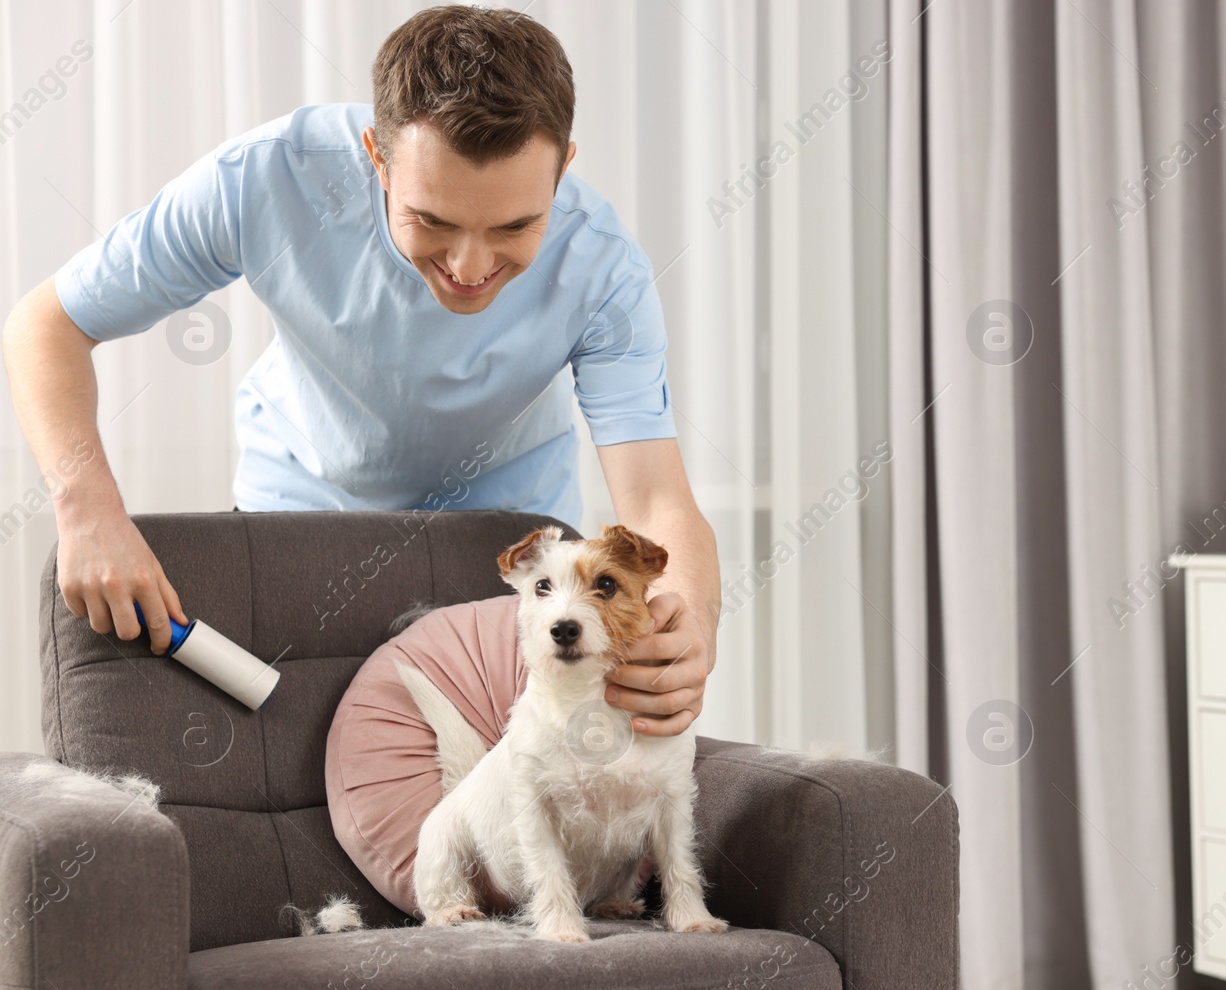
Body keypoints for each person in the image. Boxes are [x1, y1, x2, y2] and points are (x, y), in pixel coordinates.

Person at [0, 5, 717, 736]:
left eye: (513, 227)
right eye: (433, 221)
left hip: (501, 555)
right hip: (293, 530)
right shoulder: (267, 178)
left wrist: (689, 621)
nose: (469, 267)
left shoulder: (604, 267)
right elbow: (45, 326)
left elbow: (657, 495)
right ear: (377, 157)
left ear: (563, 167)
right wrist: (87, 509)